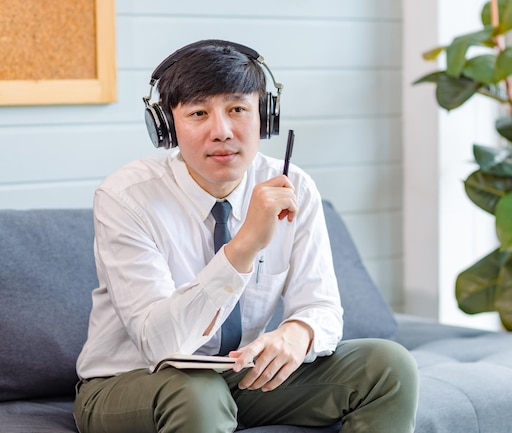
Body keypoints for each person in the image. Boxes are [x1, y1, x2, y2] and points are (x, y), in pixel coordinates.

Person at [73, 39, 418, 433]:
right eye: (198, 113)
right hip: (132, 383)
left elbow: (321, 306)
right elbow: (159, 343)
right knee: (197, 393)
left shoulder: (294, 187)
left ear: (265, 117)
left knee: (387, 366)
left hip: (236, 378)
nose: (221, 131)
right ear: (166, 125)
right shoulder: (126, 197)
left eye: (238, 109)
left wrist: (297, 333)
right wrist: (245, 244)